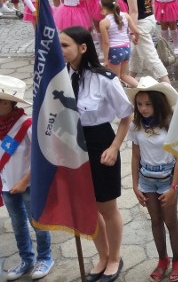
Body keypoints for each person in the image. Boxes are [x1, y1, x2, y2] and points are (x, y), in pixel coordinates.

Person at [60, 27, 134, 282]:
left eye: (65, 45)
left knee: (106, 206)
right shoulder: (61, 77)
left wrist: (114, 147)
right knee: (88, 207)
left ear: (82, 48)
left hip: (100, 142)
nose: (60, 50)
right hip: (73, 146)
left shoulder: (104, 78)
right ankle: (102, 256)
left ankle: (115, 257)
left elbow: (126, 115)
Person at [125, 78, 178, 282]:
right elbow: (135, 156)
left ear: (158, 103)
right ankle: (162, 259)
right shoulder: (136, 126)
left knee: (171, 221)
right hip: (147, 179)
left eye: (148, 104)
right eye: (140, 104)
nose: (143, 108)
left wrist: (174, 187)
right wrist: (135, 185)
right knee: (156, 221)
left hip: (167, 179)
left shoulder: (170, 124)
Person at [0, 75, 55, 280]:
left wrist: (24, 182)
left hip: (29, 185)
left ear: (6, 102)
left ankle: (45, 257)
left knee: (37, 222)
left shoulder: (27, 124)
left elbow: (42, 157)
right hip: (7, 186)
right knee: (17, 223)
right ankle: (26, 258)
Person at [119, 0, 170, 83]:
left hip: (140, 23)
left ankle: (167, 84)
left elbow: (133, 10)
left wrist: (132, 30)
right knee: (136, 55)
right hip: (150, 18)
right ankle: (130, 81)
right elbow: (151, 2)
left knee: (150, 57)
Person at [99, 0, 139, 88]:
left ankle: (119, 99)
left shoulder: (104, 22)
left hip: (114, 50)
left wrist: (105, 60)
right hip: (126, 48)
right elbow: (136, 31)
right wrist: (136, 39)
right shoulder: (125, 15)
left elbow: (106, 43)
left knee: (115, 79)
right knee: (124, 75)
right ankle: (143, 88)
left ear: (102, 6)